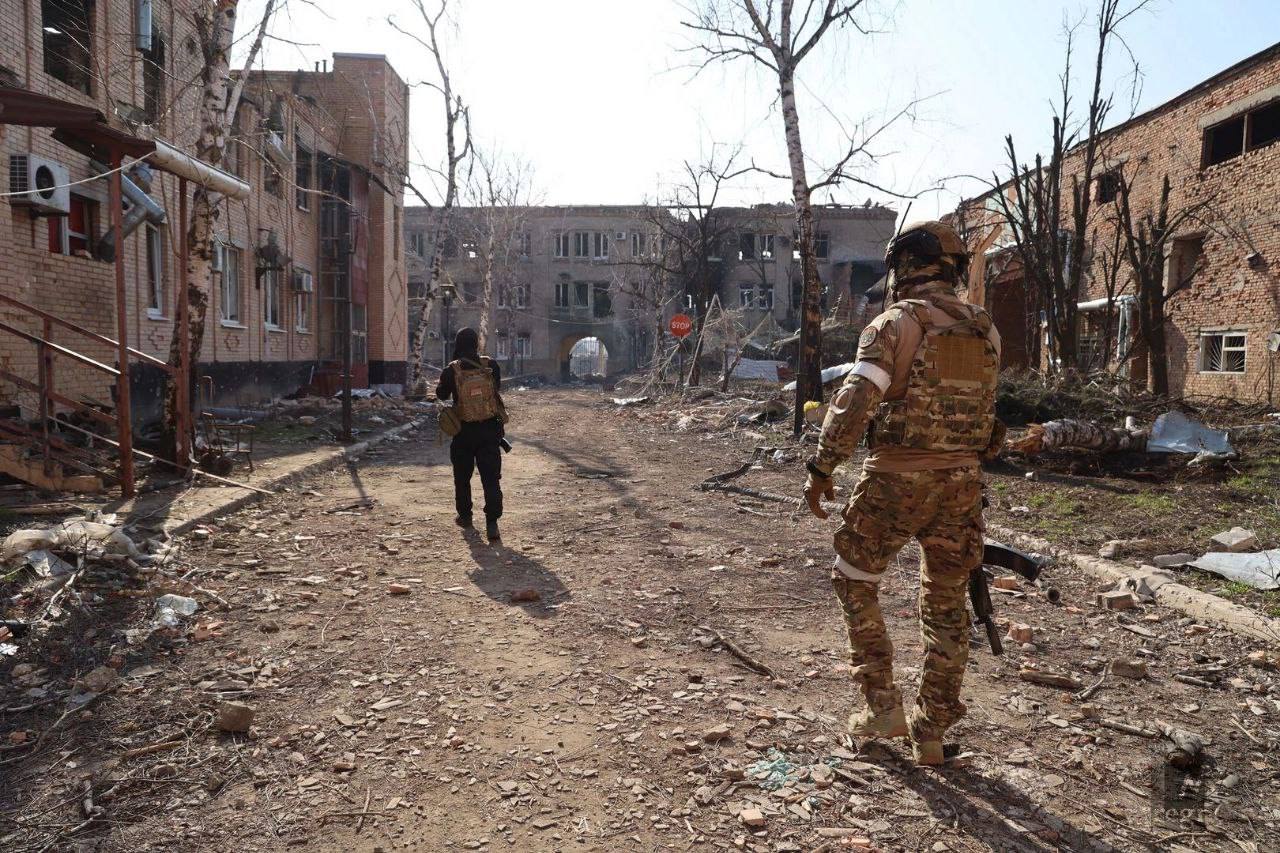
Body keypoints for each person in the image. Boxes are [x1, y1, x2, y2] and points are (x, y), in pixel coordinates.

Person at [801, 220, 1001, 766]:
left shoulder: (894, 325)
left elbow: (856, 400)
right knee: (947, 603)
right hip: (962, 485)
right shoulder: (986, 329)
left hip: (896, 478)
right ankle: (931, 730)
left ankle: (881, 704)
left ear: (903, 267)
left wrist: (823, 467)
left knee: (854, 578)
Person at [436, 327, 505, 541]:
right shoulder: (490, 366)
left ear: (457, 344)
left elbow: (441, 394)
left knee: (462, 477)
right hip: (489, 431)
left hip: (463, 432)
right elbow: (497, 389)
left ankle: (465, 516)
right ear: (476, 344)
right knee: (491, 478)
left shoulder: (452, 370)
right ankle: (492, 523)